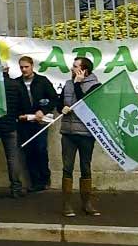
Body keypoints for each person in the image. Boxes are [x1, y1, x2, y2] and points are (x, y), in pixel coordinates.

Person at [59, 57, 101, 217]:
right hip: (68, 132)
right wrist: (61, 107)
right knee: (67, 167)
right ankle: (67, 204)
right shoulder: (67, 84)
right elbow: (59, 102)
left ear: (84, 70)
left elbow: (85, 103)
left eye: (75, 66)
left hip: (85, 133)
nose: (72, 68)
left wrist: (78, 83)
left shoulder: (95, 85)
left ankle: (86, 203)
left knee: (85, 167)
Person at [16, 56, 59, 194]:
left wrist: (43, 110)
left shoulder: (42, 81)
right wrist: (20, 115)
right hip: (25, 123)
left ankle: (45, 179)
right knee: (28, 152)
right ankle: (35, 182)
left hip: (40, 122)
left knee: (40, 149)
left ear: (32, 66)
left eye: (26, 67)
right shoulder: (17, 83)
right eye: (21, 67)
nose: (24, 70)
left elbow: (53, 98)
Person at [0, 63, 26, 198]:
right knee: (13, 157)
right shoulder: (15, 84)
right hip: (10, 124)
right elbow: (24, 103)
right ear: (7, 70)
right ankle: (16, 188)